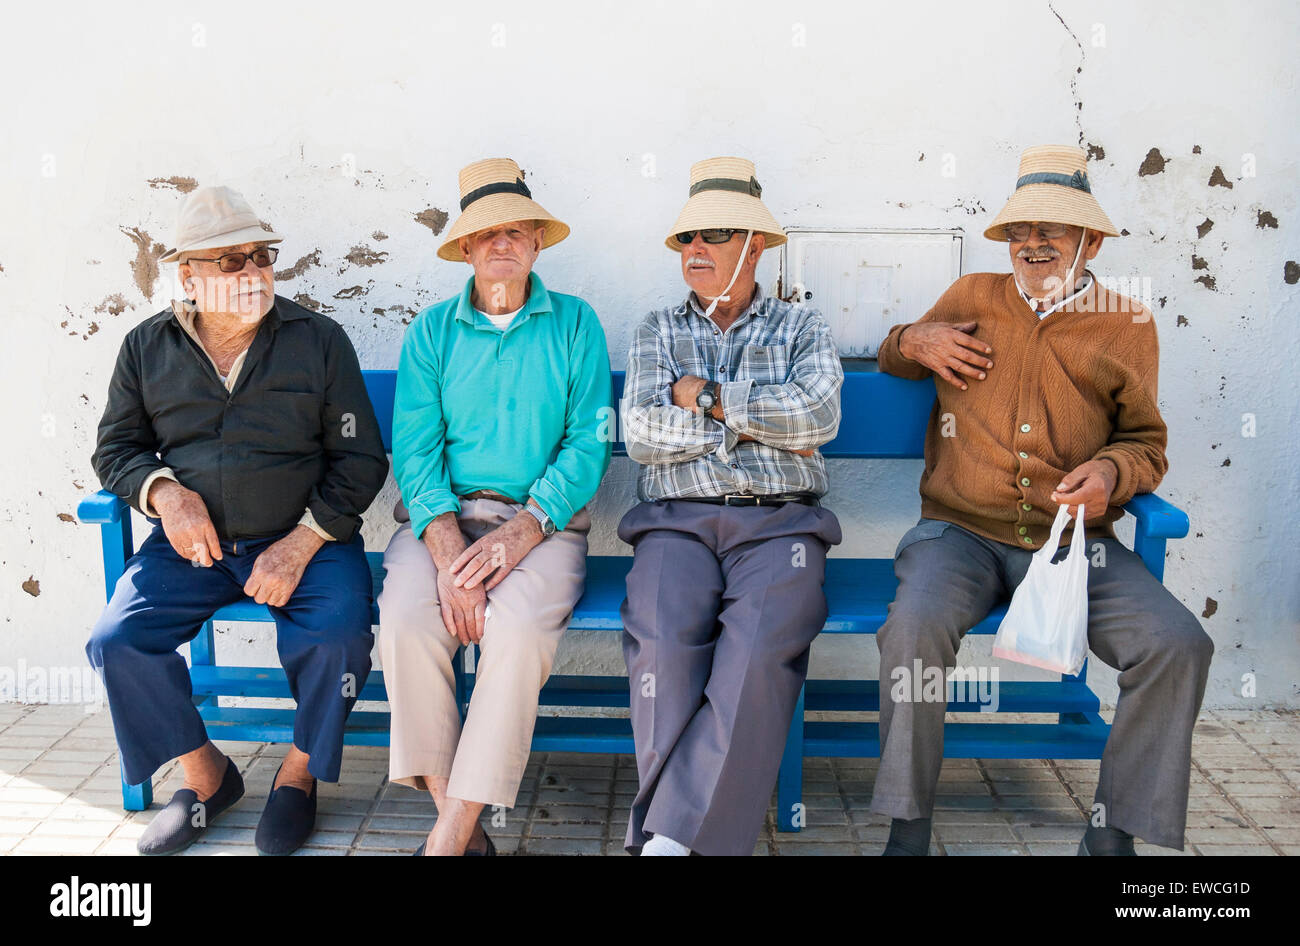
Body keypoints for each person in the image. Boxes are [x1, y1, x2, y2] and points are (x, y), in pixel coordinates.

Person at [871, 145, 1213, 856]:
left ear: (1088, 240)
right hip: (955, 534)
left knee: (1178, 644)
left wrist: (1111, 477)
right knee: (913, 632)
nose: (1033, 244)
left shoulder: (1127, 323)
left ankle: (1113, 834)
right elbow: (893, 354)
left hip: (1070, 542)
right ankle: (908, 827)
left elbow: (1146, 443)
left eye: (1052, 231)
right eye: (1022, 230)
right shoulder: (971, 296)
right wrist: (915, 337)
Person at [88, 185, 389, 855]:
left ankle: (297, 776)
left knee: (338, 638)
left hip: (305, 537)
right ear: (187, 274)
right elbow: (115, 450)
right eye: (231, 260)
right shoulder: (147, 348)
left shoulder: (318, 340)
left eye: (261, 255)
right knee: (118, 641)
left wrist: (304, 539)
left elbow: (360, 457)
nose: (253, 271)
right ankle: (206, 775)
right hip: (193, 548)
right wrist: (166, 494)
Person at [378, 158, 612, 855]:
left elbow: (587, 443)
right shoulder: (431, 332)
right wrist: (448, 547)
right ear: (466, 250)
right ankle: (462, 822)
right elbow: (415, 450)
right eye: (486, 235)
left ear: (537, 243)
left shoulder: (575, 325)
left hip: (542, 527)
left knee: (513, 636)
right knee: (406, 624)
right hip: (442, 523)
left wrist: (524, 529)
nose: (502, 244)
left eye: (516, 231)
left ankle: (446, 839)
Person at [620, 156, 844, 855]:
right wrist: (756, 425)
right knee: (660, 639)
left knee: (755, 651)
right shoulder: (656, 328)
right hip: (674, 525)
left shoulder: (803, 327)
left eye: (712, 235)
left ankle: (665, 839)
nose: (693, 251)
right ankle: (685, 837)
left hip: (782, 525)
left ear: (755, 246)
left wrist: (706, 399)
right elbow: (641, 433)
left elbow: (819, 418)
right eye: (687, 238)